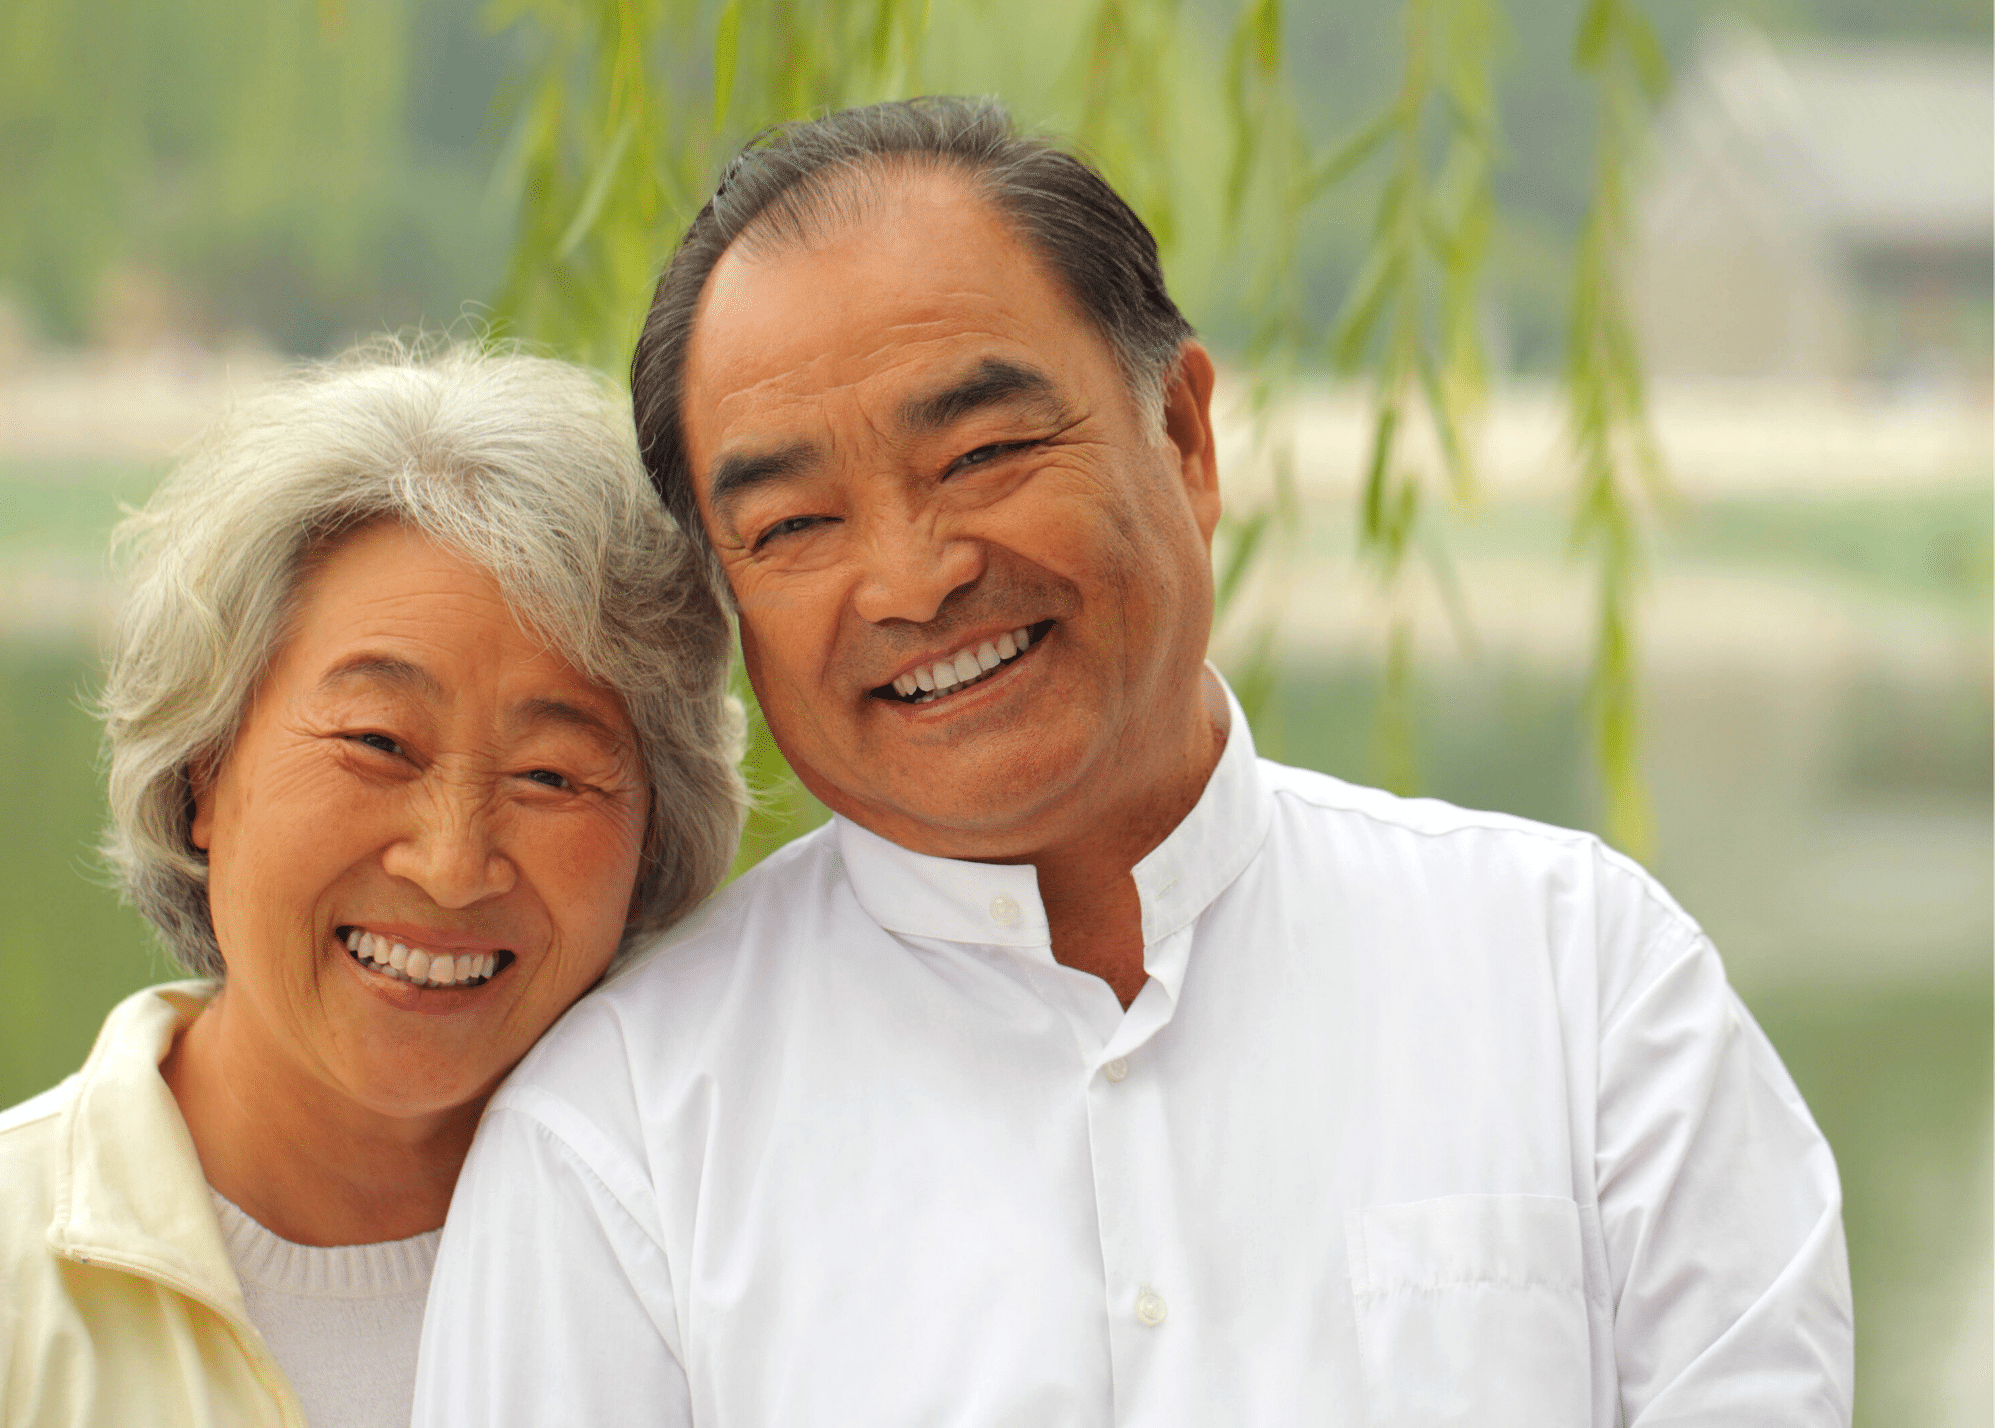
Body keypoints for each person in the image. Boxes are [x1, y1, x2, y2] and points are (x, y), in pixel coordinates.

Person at [415, 98, 1854, 1427]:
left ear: (1183, 438)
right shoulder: (619, 1146)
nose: (913, 581)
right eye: (794, 527)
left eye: (981, 452)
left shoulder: (1583, 986)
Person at [0, 341, 745, 1428]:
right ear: (206, 771)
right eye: (378, 743)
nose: (449, 865)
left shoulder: (738, 1259)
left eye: (549, 774)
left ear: (651, 846)